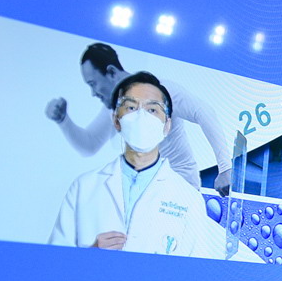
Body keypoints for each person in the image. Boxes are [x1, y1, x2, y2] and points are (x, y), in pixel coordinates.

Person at [49, 72, 236, 259]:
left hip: (181, 180)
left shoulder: (189, 199)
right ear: (116, 121)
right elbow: (52, 261)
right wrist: (91, 253)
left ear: (167, 125)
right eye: (131, 108)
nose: (141, 117)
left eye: (152, 110)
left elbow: (195, 268)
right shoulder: (84, 187)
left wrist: (225, 167)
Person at [45, 43, 234, 193]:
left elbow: (204, 112)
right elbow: (90, 145)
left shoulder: (161, 91)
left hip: (178, 190)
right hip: (148, 194)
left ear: (111, 72)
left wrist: (225, 168)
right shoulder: (115, 106)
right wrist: (63, 121)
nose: (93, 93)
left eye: (93, 83)